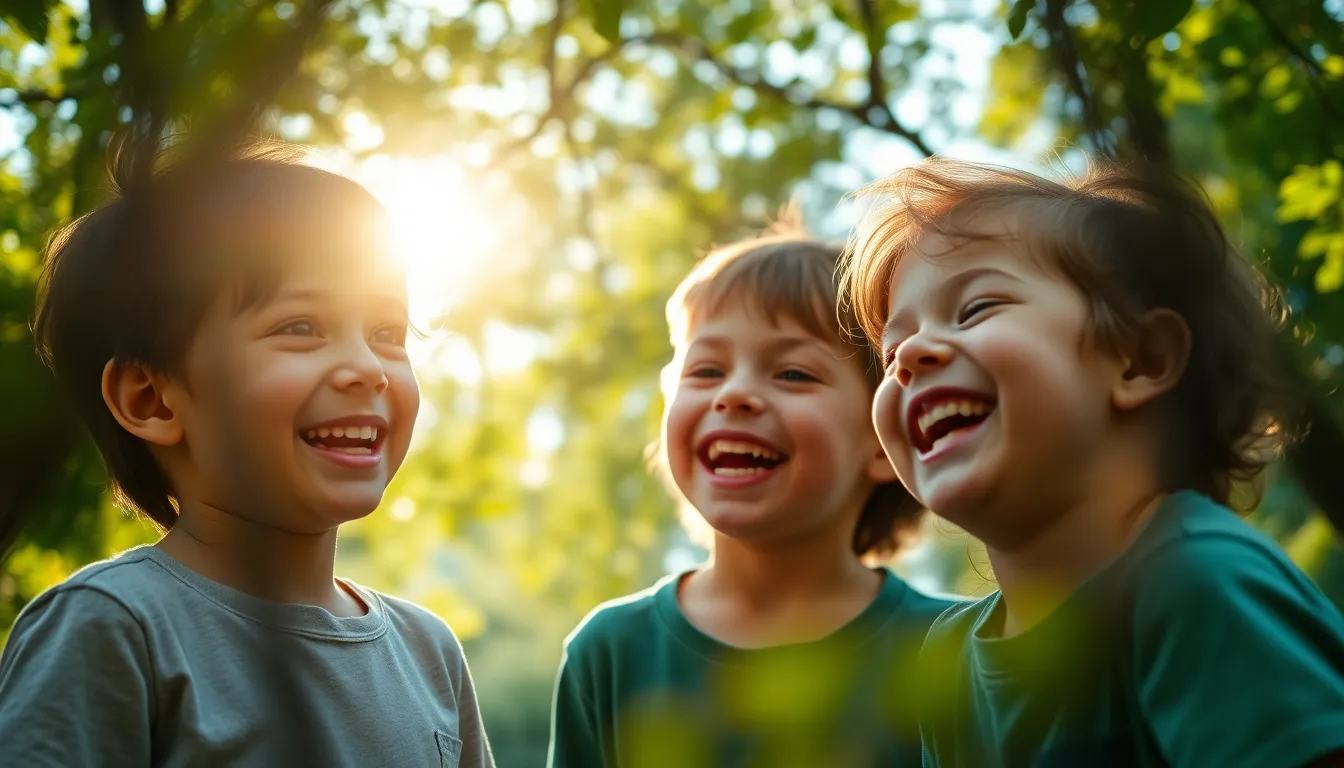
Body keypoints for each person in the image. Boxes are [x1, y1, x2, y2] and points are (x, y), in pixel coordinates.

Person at [0, 137, 494, 767]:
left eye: (386, 333)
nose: (367, 368)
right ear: (151, 399)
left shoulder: (430, 654)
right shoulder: (116, 628)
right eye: (300, 328)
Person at [842, 156, 1344, 767]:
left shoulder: (1192, 581)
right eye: (893, 348)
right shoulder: (945, 662)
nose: (910, 354)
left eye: (975, 309)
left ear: (1140, 360)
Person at [547, 220, 960, 768]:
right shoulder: (608, 653)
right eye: (706, 370)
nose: (735, 393)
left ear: (885, 443)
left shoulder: (955, 649)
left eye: (791, 373)